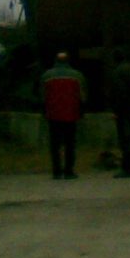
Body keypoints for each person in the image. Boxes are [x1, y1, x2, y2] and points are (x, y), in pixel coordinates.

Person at [41, 51, 87, 179]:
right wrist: (82, 111)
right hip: (71, 114)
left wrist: (45, 111)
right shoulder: (77, 75)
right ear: (68, 61)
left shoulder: (47, 75)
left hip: (53, 114)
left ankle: (56, 171)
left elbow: (43, 96)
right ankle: (68, 171)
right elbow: (82, 96)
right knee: (70, 144)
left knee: (55, 144)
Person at [106, 48, 130, 178]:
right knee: (129, 137)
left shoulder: (118, 71)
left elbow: (118, 92)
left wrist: (115, 109)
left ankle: (127, 168)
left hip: (122, 109)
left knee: (124, 139)